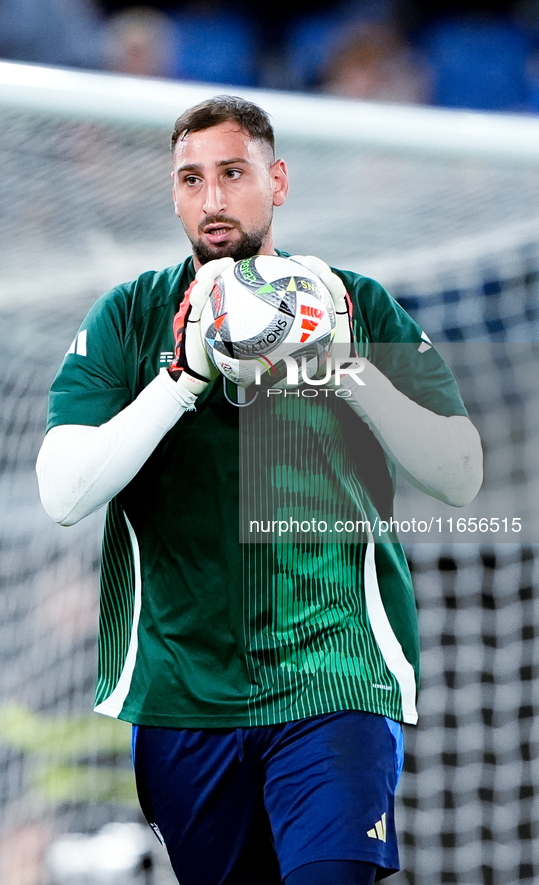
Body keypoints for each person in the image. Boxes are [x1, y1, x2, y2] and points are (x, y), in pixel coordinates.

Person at [36, 95, 483, 885]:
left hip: (334, 674)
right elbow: (64, 493)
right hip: (182, 694)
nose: (212, 200)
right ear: (172, 193)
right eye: (191, 179)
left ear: (276, 181)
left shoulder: (352, 302)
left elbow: (459, 473)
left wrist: (347, 366)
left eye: (233, 173)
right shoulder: (131, 317)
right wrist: (180, 379)